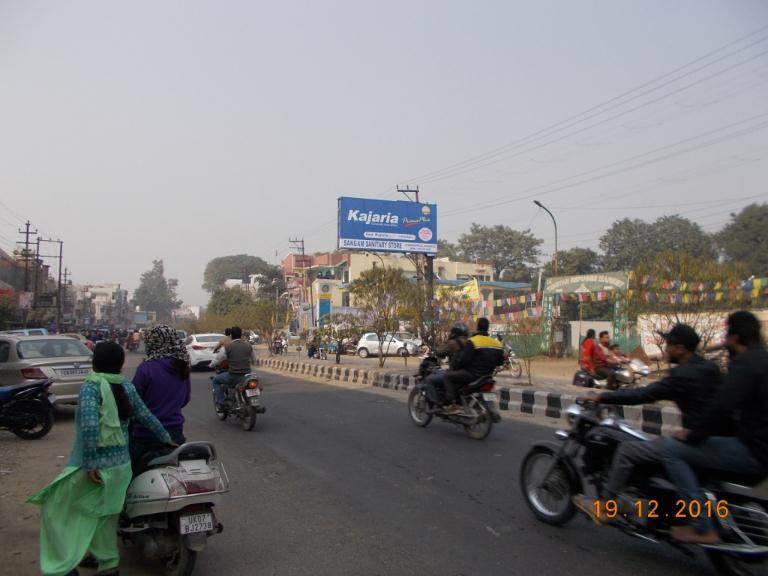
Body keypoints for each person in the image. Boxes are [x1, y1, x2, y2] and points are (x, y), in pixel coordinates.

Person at [28, 341, 173, 576]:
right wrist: (166, 438)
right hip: (120, 468)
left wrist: (90, 464)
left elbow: (89, 427)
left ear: (95, 362)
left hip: (95, 469)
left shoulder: (91, 387)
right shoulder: (126, 385)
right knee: (106, 518)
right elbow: (145, 415)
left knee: (57, 509)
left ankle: (62, 565)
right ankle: (108, 565)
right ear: (120, 363)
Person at [572, 324, 723, 524]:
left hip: (694, 440)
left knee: (627, 450)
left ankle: (605, 506)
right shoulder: (710, 367)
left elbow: (643, 394)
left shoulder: (682, 375)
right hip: (714, 437)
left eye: (669, 345)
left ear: (680, 348)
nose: (666, 349)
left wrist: (602, 397)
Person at [661, 311, 768, 544]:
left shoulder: (746, 364)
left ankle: (702, 527)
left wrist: (692, 434)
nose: (724, 340)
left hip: (754, 450)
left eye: (726, 334)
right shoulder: (762, 359)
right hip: (757, 443)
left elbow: (721, 407)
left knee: (672, 450)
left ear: (735, 337)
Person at [130, 325, 191, 471]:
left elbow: (133, 403)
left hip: (144, 436)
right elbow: (185, 399)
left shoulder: (146, 368)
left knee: (125, 476)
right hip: (175, 433)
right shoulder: (181, 367)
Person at [443, 317, 504, 415]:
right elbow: (500, 362)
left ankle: (453, 405)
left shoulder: (473, 341)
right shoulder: (496, 343)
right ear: (487, 327)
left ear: (477, 327)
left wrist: (456, 365)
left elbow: (462, 360)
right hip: (488, 376)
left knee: (447, 376)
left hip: (472, 375)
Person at [423, 322, 469, 405]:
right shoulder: (470, 342)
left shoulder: (453, 343)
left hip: (455, 372)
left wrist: (435, 351)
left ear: (455, 332)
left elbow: (441, 353)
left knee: (429, 379)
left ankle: (438, 402)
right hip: (468, 373)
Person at [211, 326, 255, 407]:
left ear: (231, 336)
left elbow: (218, 359)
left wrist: (211, 365)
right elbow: (254, 359)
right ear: (241, 335)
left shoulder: (227, 347)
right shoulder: (249, 345)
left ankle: (222, 402)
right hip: (247, 375)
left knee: (215, 381)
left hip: (233, 375)